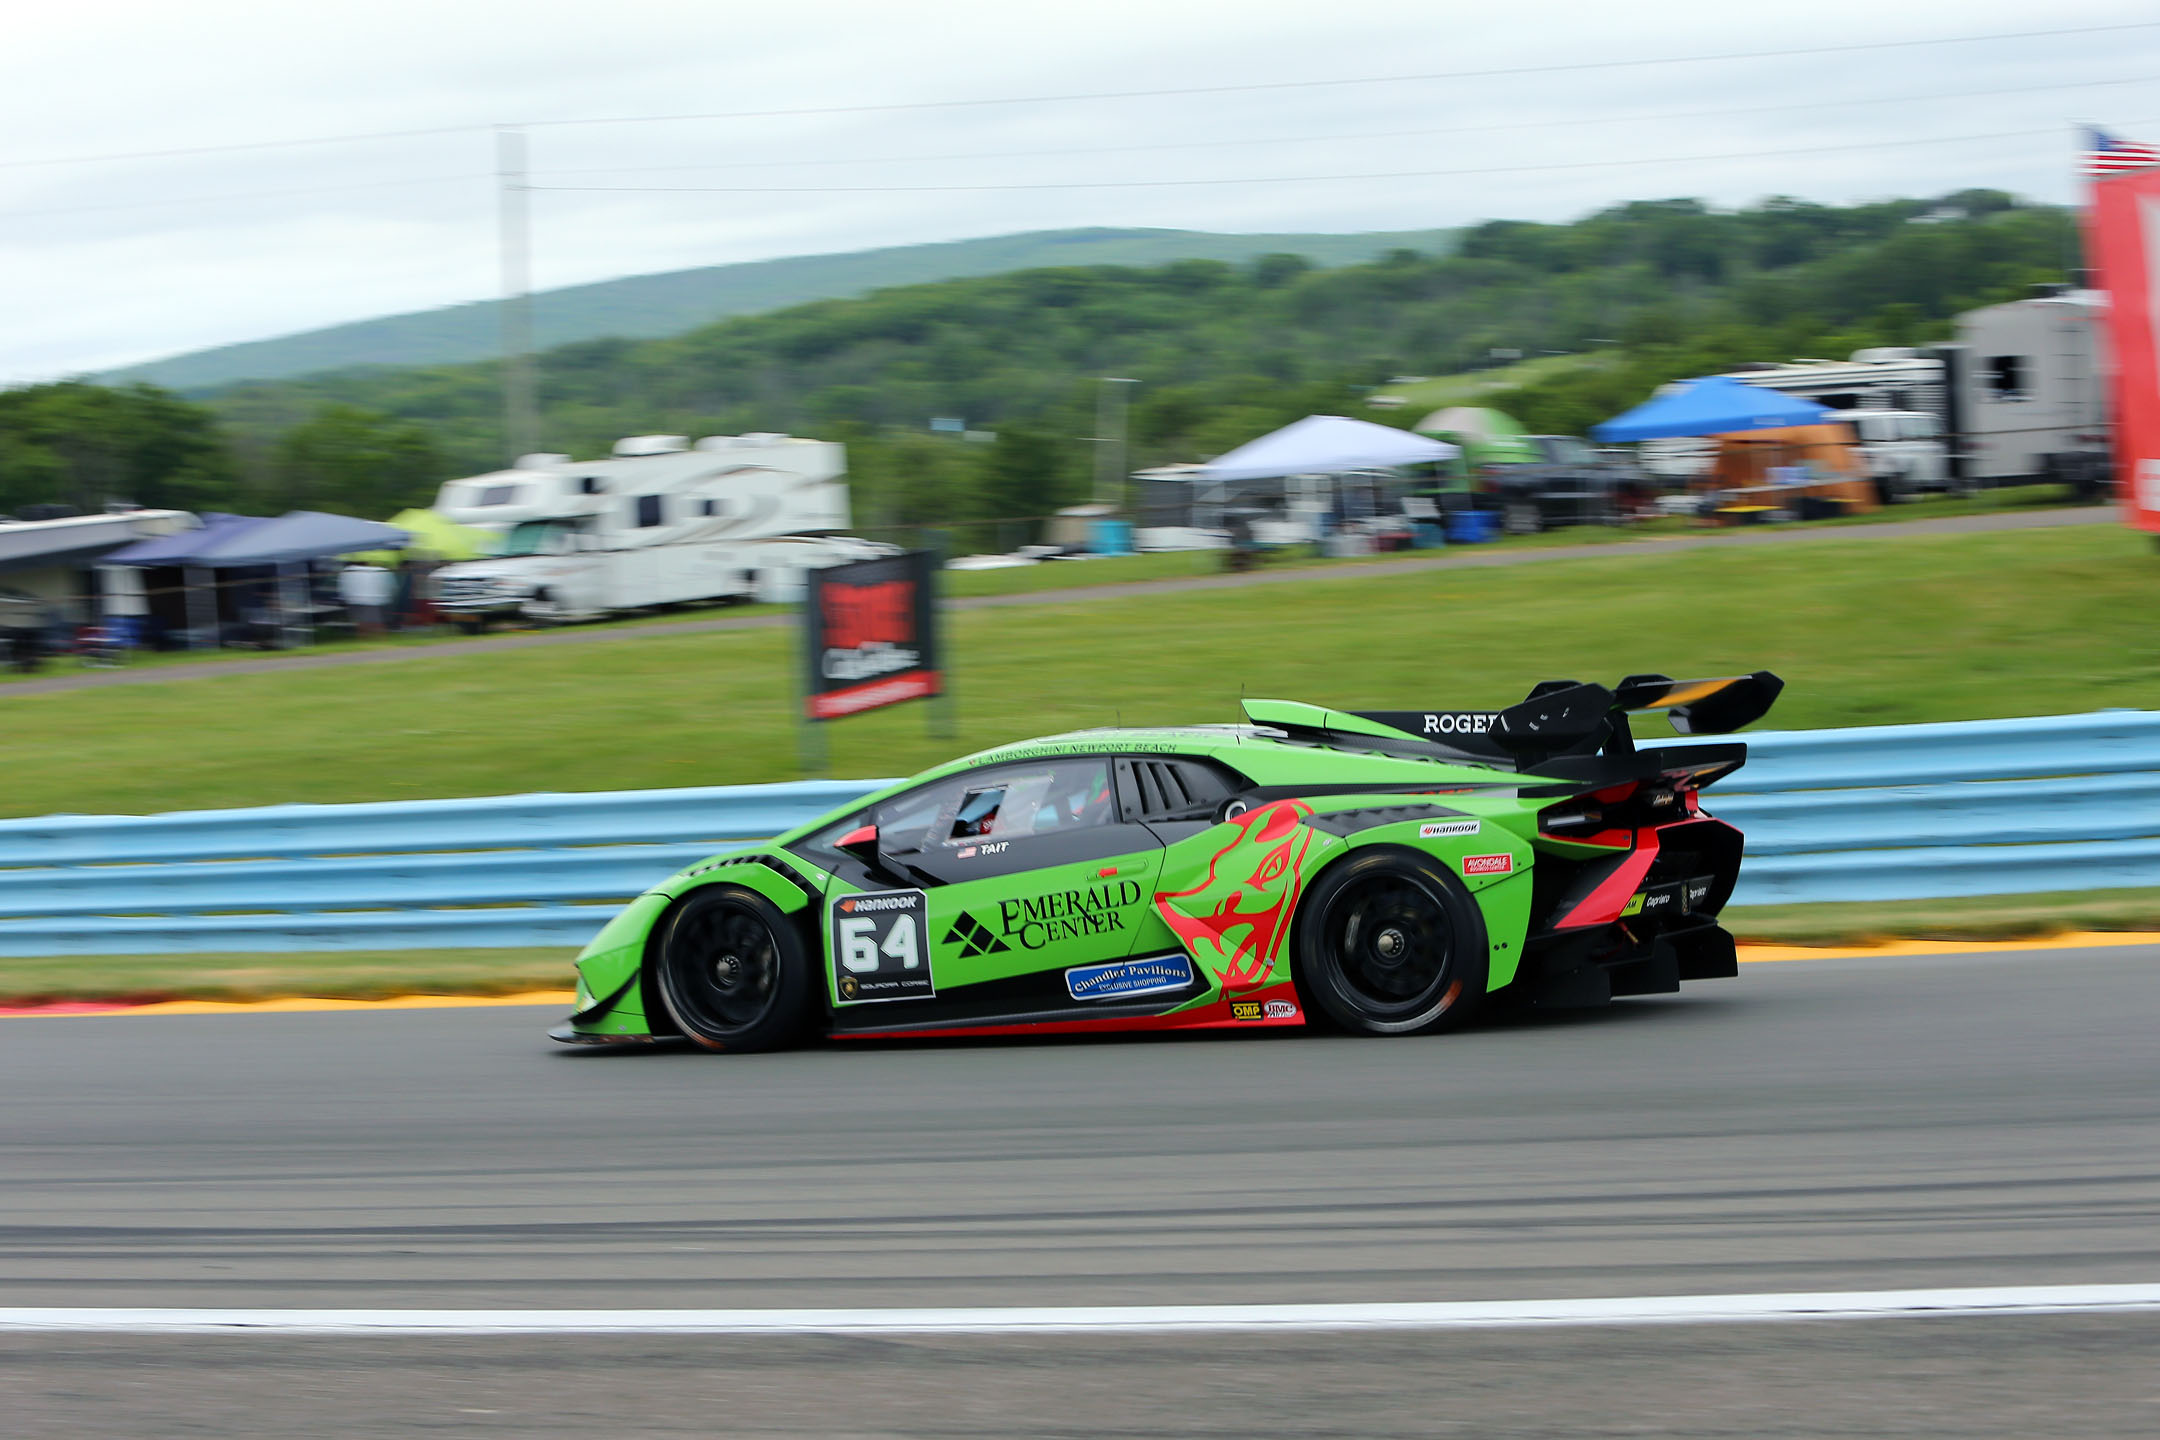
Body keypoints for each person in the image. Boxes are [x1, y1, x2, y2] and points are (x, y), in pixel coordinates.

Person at [337, 562, 394, 638]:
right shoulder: (382, 570)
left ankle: (368, 639)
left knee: (364, 625)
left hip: (357, 600)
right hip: (376, 600)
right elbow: (391, 588)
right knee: (375, 624)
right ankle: (377, 639)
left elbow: (343, 590)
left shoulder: (347, 570)